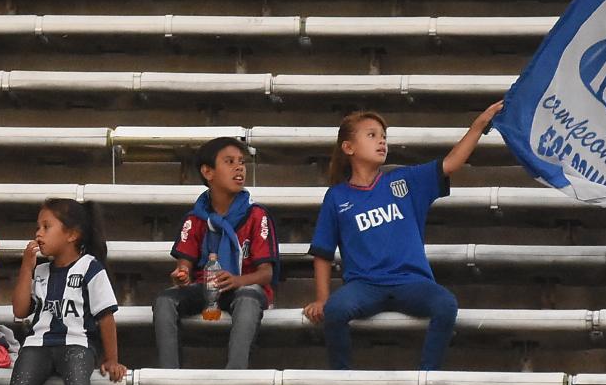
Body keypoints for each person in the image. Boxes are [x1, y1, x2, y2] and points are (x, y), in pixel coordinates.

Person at [303, 103, 503, 370]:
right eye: (371, 135)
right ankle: (342, 379)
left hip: (411, 282)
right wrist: (322, 298)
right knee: (336, 310)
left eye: (384, 136)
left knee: (445, 304)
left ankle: (427, 377)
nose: (382, 140)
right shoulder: (337, 196)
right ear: (348, 148)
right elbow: (323, 252)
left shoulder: (404, 181)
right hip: (364, 285)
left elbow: (451, 163)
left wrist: (479, 125)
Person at [0, 199, 125, 385]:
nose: (38, 234)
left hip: (77, 344)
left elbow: (106, 317)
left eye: (46, 227)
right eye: (37, 228)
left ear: (71, 235)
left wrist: (111, 359)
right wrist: (26, 268)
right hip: (36, 345)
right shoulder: (40, 271)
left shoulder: (90, 268)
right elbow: (20, 310)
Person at [153, 137, 279, 369]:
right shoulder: (196, 218)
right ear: (208, 172)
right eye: (229, 162)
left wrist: (237, 280)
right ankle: (169, 372)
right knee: (164, 300)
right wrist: (181, 274)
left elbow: (266, 274)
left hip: (244, 286)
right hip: (206, 287)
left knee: (249, 297)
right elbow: (184, 266)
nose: (239, 167)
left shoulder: (256, 215)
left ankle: (236, 374)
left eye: (242, 162)